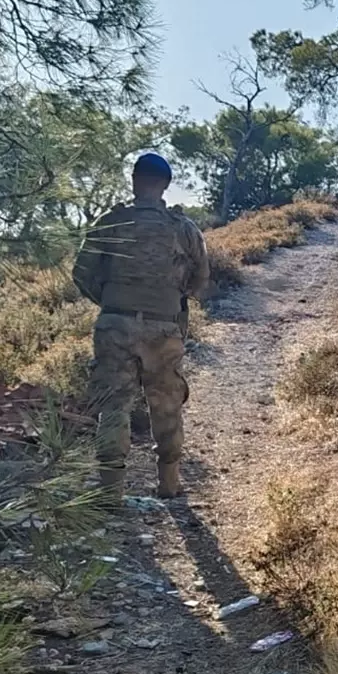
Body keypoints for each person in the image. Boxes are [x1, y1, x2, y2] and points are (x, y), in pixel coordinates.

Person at [73, 153, 209, 502]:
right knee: (166, 403)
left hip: (115, 323)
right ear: (165, 185)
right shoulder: (184, 228)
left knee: (113, 404)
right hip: (164, 327)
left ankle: (110, 492)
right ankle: (169, 484)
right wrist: (170, 300)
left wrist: (111, 301)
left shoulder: (111, 222)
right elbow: (200, 279)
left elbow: (82, 272)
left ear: (134, 180)